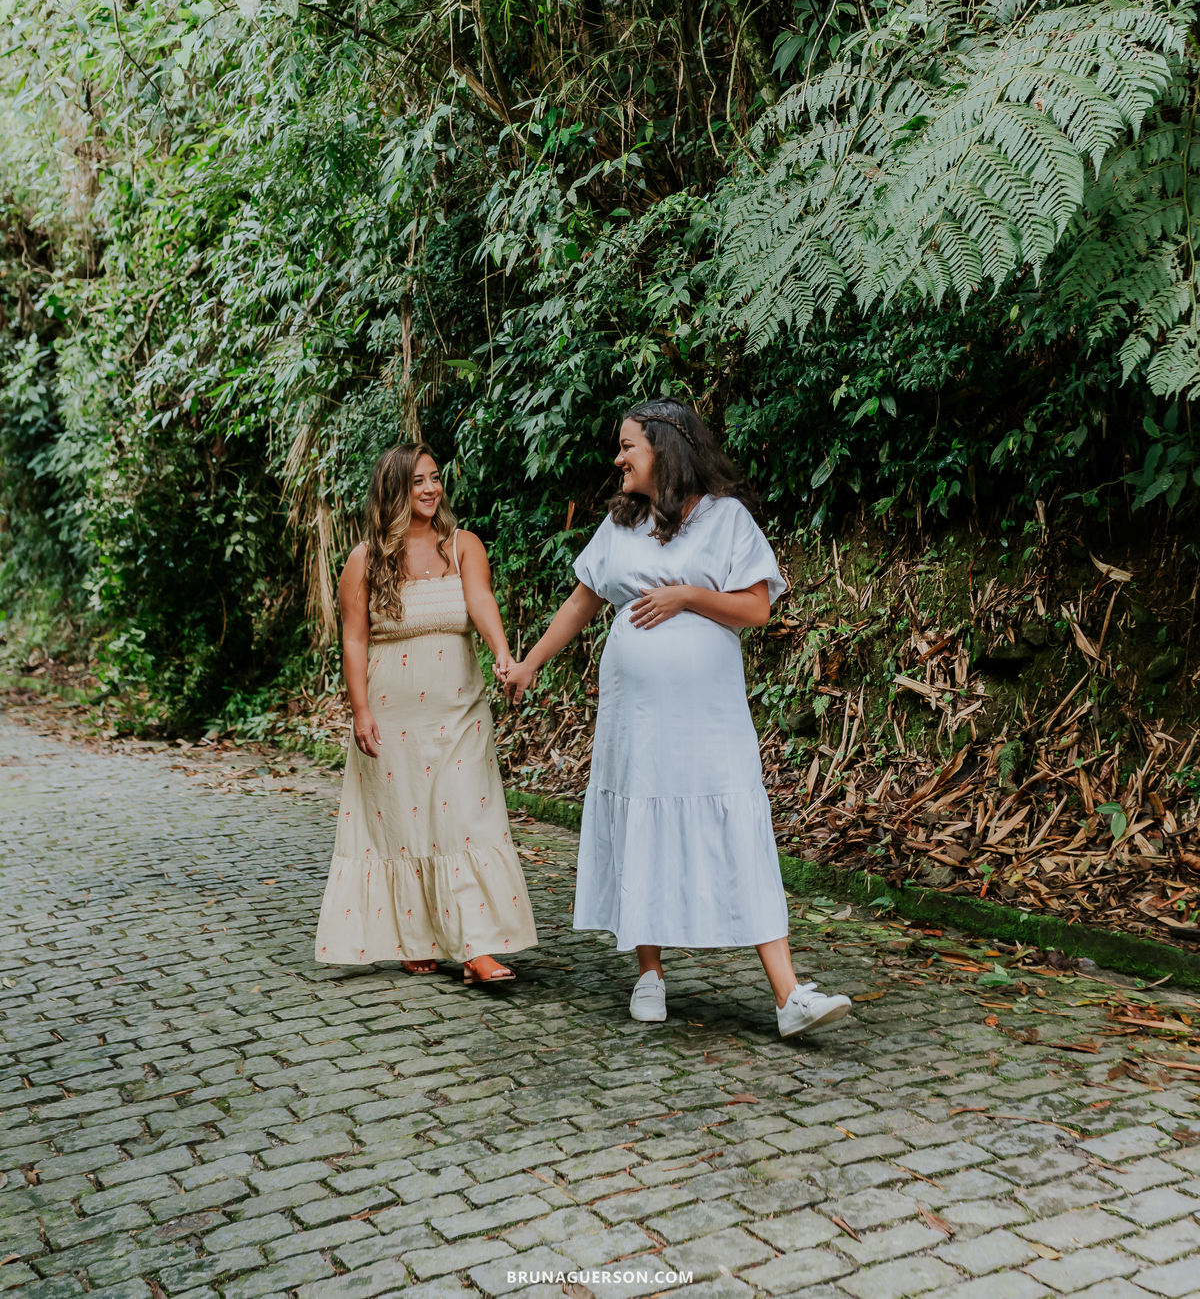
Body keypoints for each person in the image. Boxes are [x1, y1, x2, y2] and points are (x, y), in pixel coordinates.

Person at [503, 398, 850, 1038]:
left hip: (708, 715)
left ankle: (789, 994)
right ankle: (650, 974)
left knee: (735, 823)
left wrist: (687, 594)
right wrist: (529, 664)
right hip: (637, 715)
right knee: (643, 816)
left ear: (665, 447)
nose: (619, 458)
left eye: (628, 445)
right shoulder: (621, 523)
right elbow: (583, 599)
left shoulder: (727, 521)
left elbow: (755, 609)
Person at [315, 442, 537, 982]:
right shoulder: (365, 559)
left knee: (462, 817)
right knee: (405, 824)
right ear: (394, 489)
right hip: (392, 714)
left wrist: (504, 653)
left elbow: (481, 601)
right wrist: (360, 710)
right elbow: (353, 639)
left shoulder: (462, 545)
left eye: (435, 478)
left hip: (459, 708)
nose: (431, 489)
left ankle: (477, 947)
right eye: (417, 481)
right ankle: (415, 934)